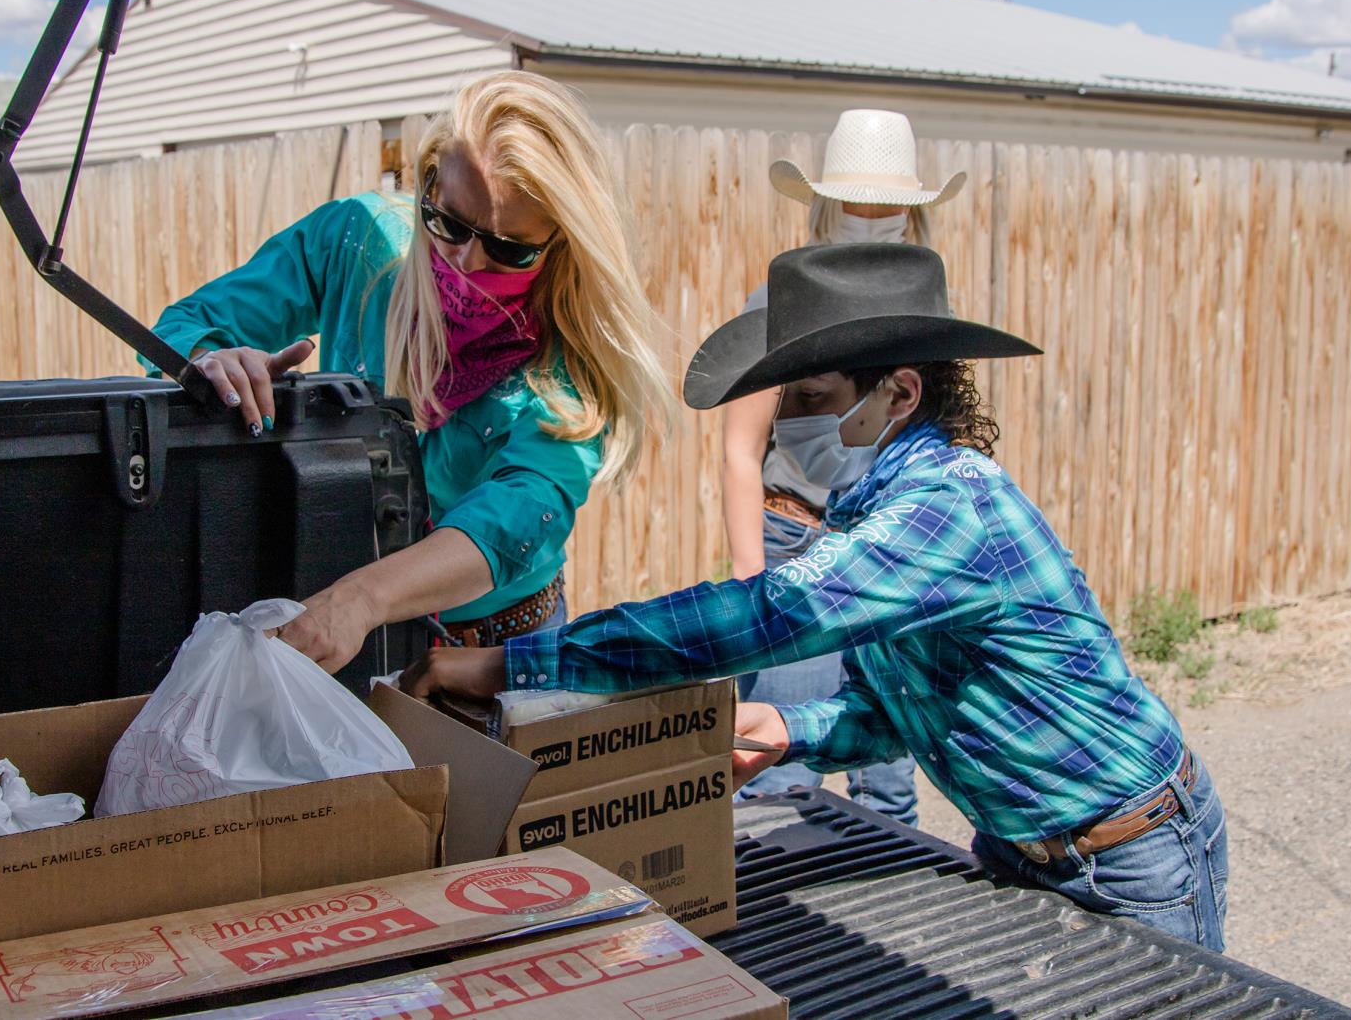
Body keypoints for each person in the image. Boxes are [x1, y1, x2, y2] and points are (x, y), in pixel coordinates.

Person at [405, 242, 1230, 952]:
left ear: (900, 395)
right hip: (1026, 847)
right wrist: (793, 729)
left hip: (1133, 852)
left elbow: (758, 619)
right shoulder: (872, 517)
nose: (789, 427)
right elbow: (893, 712)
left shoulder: (946, 512)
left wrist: (521, 663)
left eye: (812, 400)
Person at [150, 71, 669, 670]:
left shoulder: (571, 351)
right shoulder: (356, 241)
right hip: (347, 618)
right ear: (428, 182)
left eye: (509, 248)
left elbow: (520, 516)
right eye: (449, 221)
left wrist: (365, 597)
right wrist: (209, 362)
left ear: (564, 242)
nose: (466, 261)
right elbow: (185, 323)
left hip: (496, 643)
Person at [725, 109, 965, 820]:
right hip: (797, 541)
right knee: (774, 772)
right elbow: (742, 447)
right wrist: (750, 579)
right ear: (826, 205)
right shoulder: (782, 300)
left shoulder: (923, 304)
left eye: (886, 205)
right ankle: (763, 924)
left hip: (887, 548)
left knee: (887, 767)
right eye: (858, 203)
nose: (871, 217)